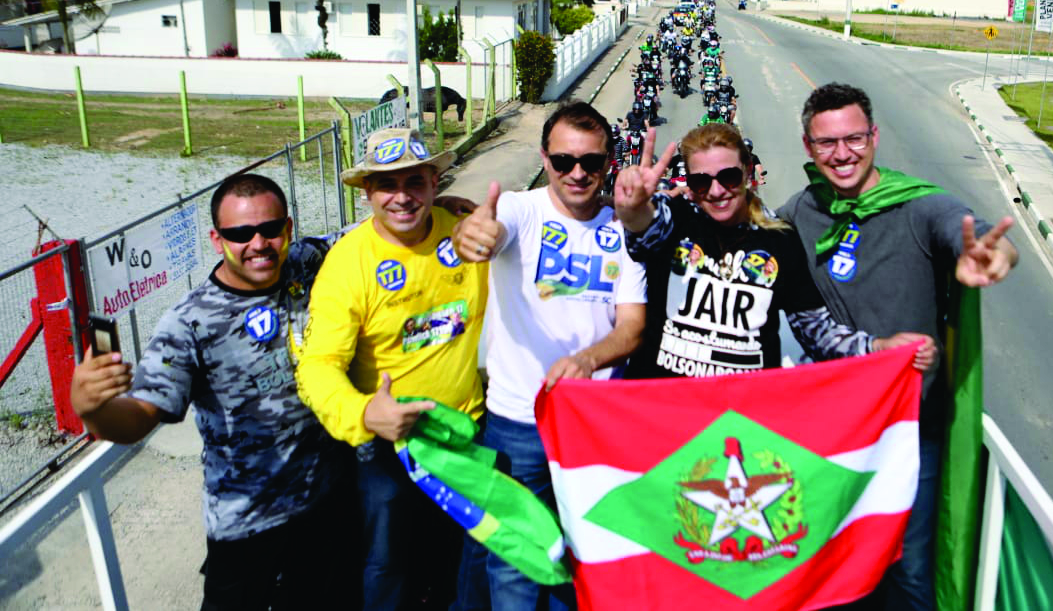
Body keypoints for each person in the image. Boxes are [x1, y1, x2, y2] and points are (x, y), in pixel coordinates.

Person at [778, 83, 1019, 611]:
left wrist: (990, 250)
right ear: (807, 147)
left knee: (909, 573)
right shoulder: (799, 214)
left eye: (854, 138)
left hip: (911, 432)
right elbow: (747, 246)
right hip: (831, 433)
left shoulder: (919, 206)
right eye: (826, 143)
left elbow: (965, 227)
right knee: (826, 566)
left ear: (875, 137)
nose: (842, 154)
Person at [69, 173, 358, 611]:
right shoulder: (187, 324)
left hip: (329, 505)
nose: (258, 243)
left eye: (270, 230)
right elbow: (140, 415)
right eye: (240, 233)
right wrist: (93, 411)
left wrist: (445, 207)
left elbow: (375, 229)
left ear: (289, 229)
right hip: (247, 524)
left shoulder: (308, 260)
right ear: (216, 238)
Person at [451, 101, 647, 611]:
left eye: (591, 162)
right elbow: (483, 229)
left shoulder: (623, 229)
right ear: (544, 158)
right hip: (519, 420)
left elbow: (631, 327)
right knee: (514, 557)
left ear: (610, 162)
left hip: (593, 423)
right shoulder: (519, 208)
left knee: (579, 555)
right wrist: (471, 233)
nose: (577, 173)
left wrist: (588, 360)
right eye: (563, 161)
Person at [296, 127, 488, 611]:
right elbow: (317, 365)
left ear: (434, 182)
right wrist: (363, 415)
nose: (401, 197)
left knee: (463, 562)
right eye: (386, 185)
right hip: (386, 449)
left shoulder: (465, 230)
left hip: (464, 434)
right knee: (388, 570)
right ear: (366, 192)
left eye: (415, 183)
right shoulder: (347, 264)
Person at [613, 124, 935, 379]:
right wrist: (633, 211)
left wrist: (879, 347)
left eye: (728, 177)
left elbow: (816, 332)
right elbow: (646, 234)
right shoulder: (676, 218)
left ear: (748, 173)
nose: (716, 190)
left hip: (741, 420)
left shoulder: (781, 240)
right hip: (660, 410)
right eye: (701, 182)